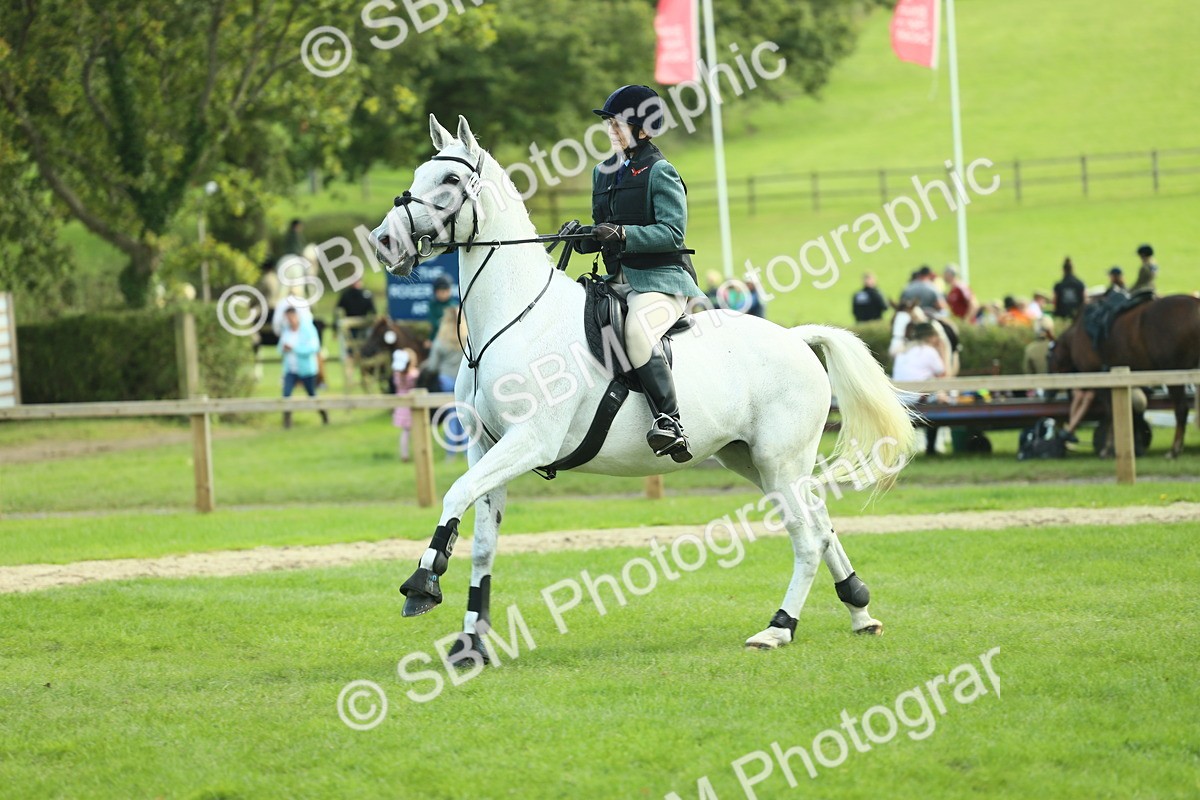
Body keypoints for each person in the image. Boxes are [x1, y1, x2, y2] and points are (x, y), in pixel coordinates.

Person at [572, 84, 705, 462]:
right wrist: (583, 237)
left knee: (635, 332)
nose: (611, 130)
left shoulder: (661, 172)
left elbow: (672, 232)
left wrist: (624, 234)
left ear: (643, 129)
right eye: (610, 124)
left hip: (661, 282)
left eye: (618, 125)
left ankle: (670, 420)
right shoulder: (603, 173)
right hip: (615, 282)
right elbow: (603, 229)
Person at [891, 321, 946, 455]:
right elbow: (944, 373)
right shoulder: (929, 351)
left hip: (900, 398)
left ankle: (905, 449)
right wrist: (943, 350)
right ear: (930, 337)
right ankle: (931, 448)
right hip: (916, 399)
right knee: (939, 401)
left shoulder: (903, 351)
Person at [423, 306, 468, 458]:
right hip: (464, 380)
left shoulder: (441, 339)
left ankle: (451, 452)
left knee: (451, 416)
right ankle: (467, 450)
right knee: (466, 415)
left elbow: (433, 365)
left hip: (446, 380)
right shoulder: (467, 337)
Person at [278, 307, 328, 428]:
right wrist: (284, 349)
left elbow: (314, 348)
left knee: (311, 394)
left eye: (292, 317)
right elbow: (279, 348)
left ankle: (324, 415)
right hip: (290, 369)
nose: (290, 320)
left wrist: (294, 349)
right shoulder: (286, 331)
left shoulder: (308, 330)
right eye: (288, 317)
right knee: (286, 394)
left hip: (306, 369)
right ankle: (287, 423)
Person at [392, 348, 420, 462]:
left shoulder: (397, 375)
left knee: (405, 432)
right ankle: (418, 453)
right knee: (416, 431)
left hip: (401, 405)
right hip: (411, 406)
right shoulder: (413, 375)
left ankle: (405, 453)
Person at [426, 276, 459, 347]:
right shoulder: (433, 305)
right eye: (440, 290)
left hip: (452, 339)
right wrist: (431, 339)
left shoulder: (454, 305)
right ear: (435, 292)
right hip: (436, 339)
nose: (443, 293)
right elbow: (434, 324)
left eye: (445, 290)